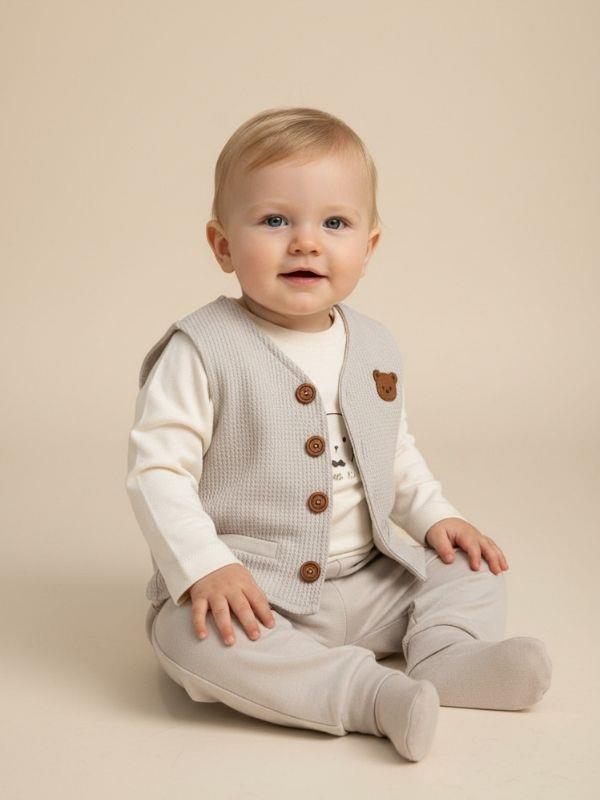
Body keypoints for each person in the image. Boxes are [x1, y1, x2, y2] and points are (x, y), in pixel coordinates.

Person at [125, 107, 552, 762]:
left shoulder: (373, 344)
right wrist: (206, 566)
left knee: (470, 564)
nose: (305, 242)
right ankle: (366, 695)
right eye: (275, 220)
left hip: (372, 577)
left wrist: (438, 516)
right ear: (222, 245)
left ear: (368, 247)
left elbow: (393, 452)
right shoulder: (202, 349)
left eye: (334, 223)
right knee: (191, 636)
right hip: (256, 587)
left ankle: (448, 655)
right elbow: (158, 473)